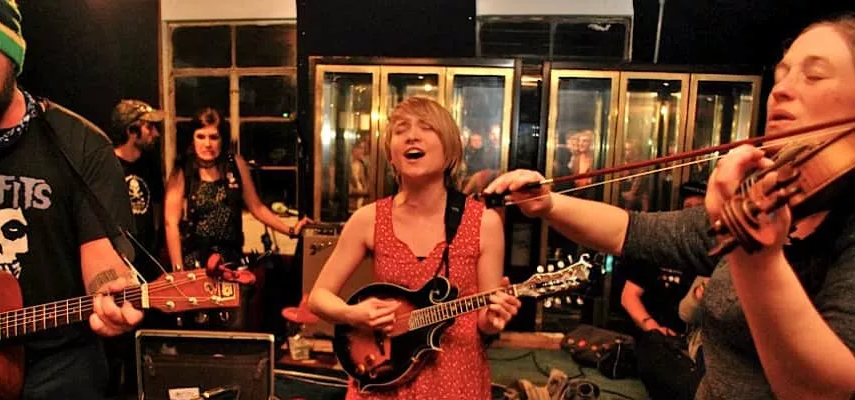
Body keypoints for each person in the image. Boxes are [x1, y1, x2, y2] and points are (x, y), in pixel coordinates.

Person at [485, 13, 855, 400]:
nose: (780, 91)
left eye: (813, 75)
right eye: (781, 76)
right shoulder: (776, 201)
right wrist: (547, 203)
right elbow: (630, 231)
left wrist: (752, 252)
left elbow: (821, 391)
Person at [0, 1, 143, 399]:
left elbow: (103, 261)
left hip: (60, 367)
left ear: (11, 55)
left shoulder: (80, 145)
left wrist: (114, 293)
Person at [308, 97, 522, 399]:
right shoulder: (368, 219)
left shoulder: (484, 223)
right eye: (400, 130)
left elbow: (486, 321)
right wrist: (352, 314)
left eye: (426, 128)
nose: (411, 136)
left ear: (450, 149)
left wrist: (494, 319)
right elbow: (318, 297)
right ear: (391, 155)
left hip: (456, 379)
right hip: (384, 379)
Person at [164, 107, 309, 329]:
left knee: (234, 329)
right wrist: (178, 273)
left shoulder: (235, 164)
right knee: (199, 332)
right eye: (201, 136)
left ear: (222, 139)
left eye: (213, 137)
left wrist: (290, 230)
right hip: (195, 265)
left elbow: (256, 207)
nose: (207, 144)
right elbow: (171, 223)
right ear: (192, 139)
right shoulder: (184, 168)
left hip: (231, 263)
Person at [620, 180, 707, 400]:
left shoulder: (714, 253)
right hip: (657, 337)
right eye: (688, 208)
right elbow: (628, 296)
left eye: (700, 209)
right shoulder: (663, 247)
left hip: (696, 343)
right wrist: (654, 328)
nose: (693, 215)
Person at [110, 99, 165, 282]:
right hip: (119, 256)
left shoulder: (150, 166)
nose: (155, 134)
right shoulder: (108, 166)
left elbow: (157, 204)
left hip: (148, 255)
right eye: (149, 127)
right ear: (131, 131)